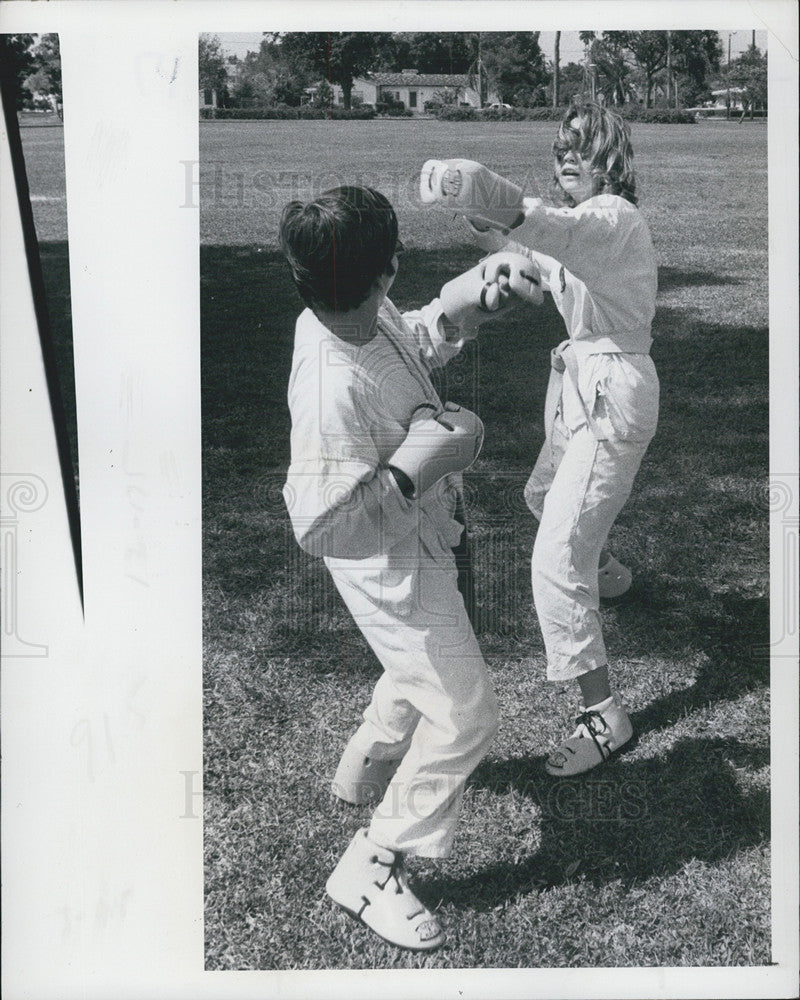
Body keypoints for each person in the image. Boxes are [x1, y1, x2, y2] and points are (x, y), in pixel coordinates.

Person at [279, 186, 541, 949]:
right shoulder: (330, 384)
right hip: (391, 564)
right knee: (466, 711)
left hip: (423, 539)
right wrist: (414, 467)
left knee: (419, 664)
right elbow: (322, 525)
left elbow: (407, 347)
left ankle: (367, 755)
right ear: (388, 268)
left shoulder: (345, 312)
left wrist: (465, 305)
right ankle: (372, 861)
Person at [425, 100, 659, 777]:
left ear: (612, 159)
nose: (568, 155)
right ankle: (608, 574)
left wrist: (486, 192)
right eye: (562, 144)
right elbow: (527, 248)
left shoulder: (611, 218)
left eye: (584, 146)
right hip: (586, 380)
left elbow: (547, 228)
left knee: (553, 561)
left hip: (613, 392)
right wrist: (487, 232)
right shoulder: (582, 230)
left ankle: (604, 715)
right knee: (542, 496)